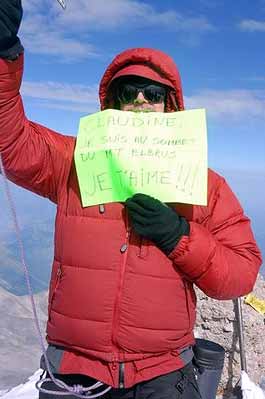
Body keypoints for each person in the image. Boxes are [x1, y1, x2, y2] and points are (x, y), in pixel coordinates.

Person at [0, 2, 262, 399]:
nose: (140, 100)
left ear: (169, 106)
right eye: (128, 91)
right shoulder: (75, 162)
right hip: (74, 369)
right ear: (112, 103)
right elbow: (16, 145)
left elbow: (241, 272)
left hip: (162, 372)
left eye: (153, 93)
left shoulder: (204, 186)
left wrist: (180, 236)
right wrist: (5, 52)